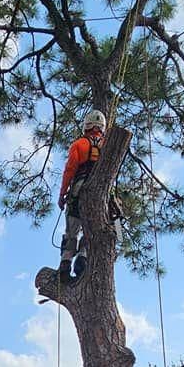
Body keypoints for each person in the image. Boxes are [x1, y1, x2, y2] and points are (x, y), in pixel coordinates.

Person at [57, 108, 124, 281]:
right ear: (102, 127)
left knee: (72, 230)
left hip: (79, 188)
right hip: (103, 193)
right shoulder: (108, 146)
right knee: (92, 229)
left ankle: (65, 263)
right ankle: (83, 258)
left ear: (86, 125)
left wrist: (63, 194)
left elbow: (70, 170)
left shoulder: (79, 144)